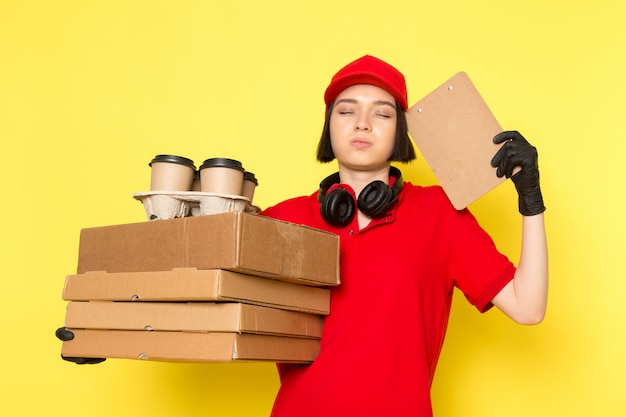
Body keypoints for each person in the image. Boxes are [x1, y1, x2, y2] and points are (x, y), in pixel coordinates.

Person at [260, 55, 548, 417]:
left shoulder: (440, 213)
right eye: (346, 112)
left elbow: (528, 307)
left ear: (400, 132)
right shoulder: (282, 220)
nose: (362, 124)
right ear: (328, 126)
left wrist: (531, 199)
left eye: (382, 114)